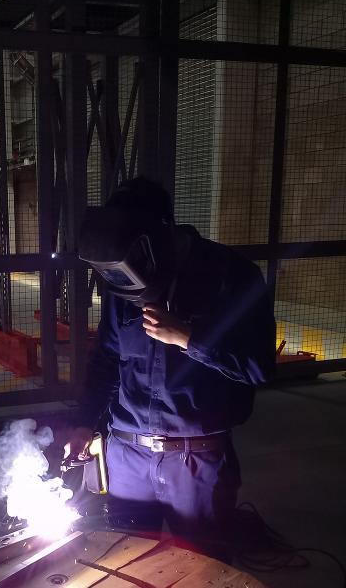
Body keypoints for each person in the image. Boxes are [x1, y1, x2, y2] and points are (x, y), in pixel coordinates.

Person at [67, 177, 276, 561]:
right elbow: (106, 359)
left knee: (203, 567)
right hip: (127, 457)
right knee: (125, 563)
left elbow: (258, 366)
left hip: (195, 464)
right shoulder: (123, 277)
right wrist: (84, 423)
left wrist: (189, 338)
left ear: (158, 236)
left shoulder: (232, 276)